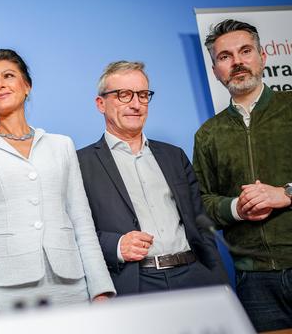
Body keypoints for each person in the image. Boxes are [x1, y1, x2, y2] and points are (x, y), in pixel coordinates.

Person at [0, 49, 115, 311]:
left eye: (8, 75)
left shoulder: (61, 145)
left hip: (71, 284)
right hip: (6, 289)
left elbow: (81, 221)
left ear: (26, 86)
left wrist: (100, 287)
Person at [77, 61, 226, 296]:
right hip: (135, 283)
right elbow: (75, 231)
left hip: (194, 277)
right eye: (124, 95)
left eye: (143, 95)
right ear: (101, 103)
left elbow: (201, 224)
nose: (136, 104)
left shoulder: (174, 155)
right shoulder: (80, 164)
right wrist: (115, 246)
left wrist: (219, 280)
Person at [193, 19, 292, 331]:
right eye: (225, 57)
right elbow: (201, 204)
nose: (237, 62)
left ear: (262, 57)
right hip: (254, 280)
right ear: (215, 71)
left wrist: (286, 193)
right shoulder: (208, 134)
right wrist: (236, 207)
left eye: (245, 51)